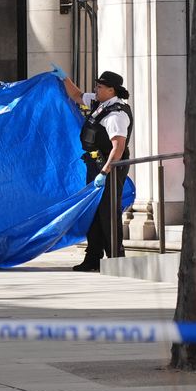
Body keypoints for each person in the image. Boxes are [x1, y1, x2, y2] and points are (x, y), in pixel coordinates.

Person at [52, 64, 133, 271]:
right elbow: (77, 95)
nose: (95, 90)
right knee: (94, 212)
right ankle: (93, 257)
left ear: (111, 90)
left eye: (99, 87)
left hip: (109, 166)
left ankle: (116, 259)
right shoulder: (101, 104)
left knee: (108, 212)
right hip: (95, 164)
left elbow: (119, 148)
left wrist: (105, 172)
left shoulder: (116, 114)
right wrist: (64, 78)